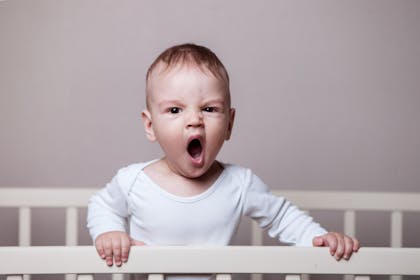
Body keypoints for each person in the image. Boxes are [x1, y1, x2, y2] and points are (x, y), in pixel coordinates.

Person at [87, 43, 359, 268]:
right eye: (174, 110)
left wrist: (321, 238)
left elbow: (282, 217)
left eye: (209, 109)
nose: (194, 120)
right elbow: (103, 205)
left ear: (229, 124)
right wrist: (110, 233)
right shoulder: (133, 180)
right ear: (150, 126)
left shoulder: (239, 183)